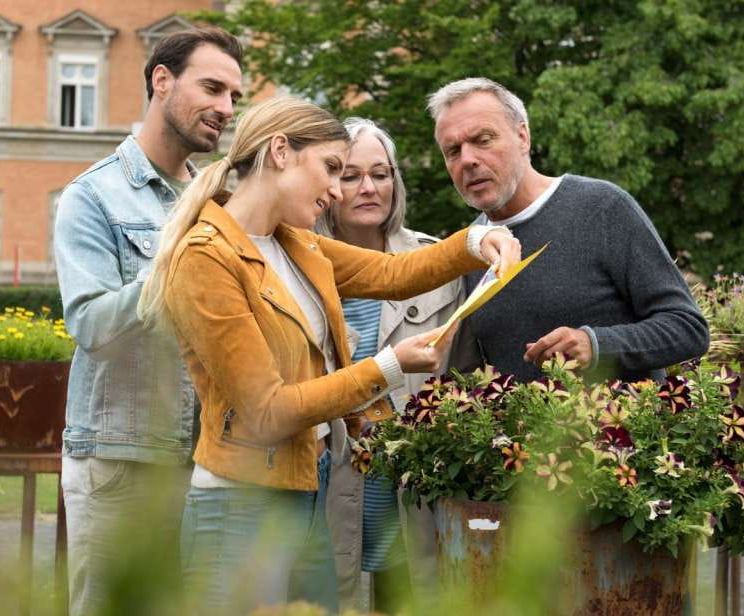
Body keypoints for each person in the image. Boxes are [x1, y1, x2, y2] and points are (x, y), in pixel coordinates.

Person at [136, 96, 521, 614]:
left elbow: (392, 273)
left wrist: (481, 240)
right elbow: (267, 412)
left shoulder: (292, 243)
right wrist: (388, 368)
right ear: (280, 152)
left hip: (304, 488)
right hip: (242, 502)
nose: (338, 190)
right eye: (332, 169)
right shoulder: (207, 258)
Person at [52, 28, 243, 615]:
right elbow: (90, 325)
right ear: (162, 81)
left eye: (235, 96)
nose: (226, 109)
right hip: (121, 462)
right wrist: (174, 260)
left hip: (207, 462)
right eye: (212, 87)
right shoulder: (93, 196)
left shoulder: (217, 202)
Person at [429, 77, 710, 382]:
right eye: (453, 151)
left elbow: (688, 328)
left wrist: (597, 345)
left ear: (523, 137)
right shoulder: (470, 249)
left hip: (620, 427)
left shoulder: (602, 208)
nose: (468, 159)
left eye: (483, 140)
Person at [314, 117, 454, 612]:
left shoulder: (438, 264)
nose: (369, 188)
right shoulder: (296, 270)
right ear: (326, 184)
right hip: (328, 490)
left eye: (381, 173)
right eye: (350, 176)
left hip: (413, 492)